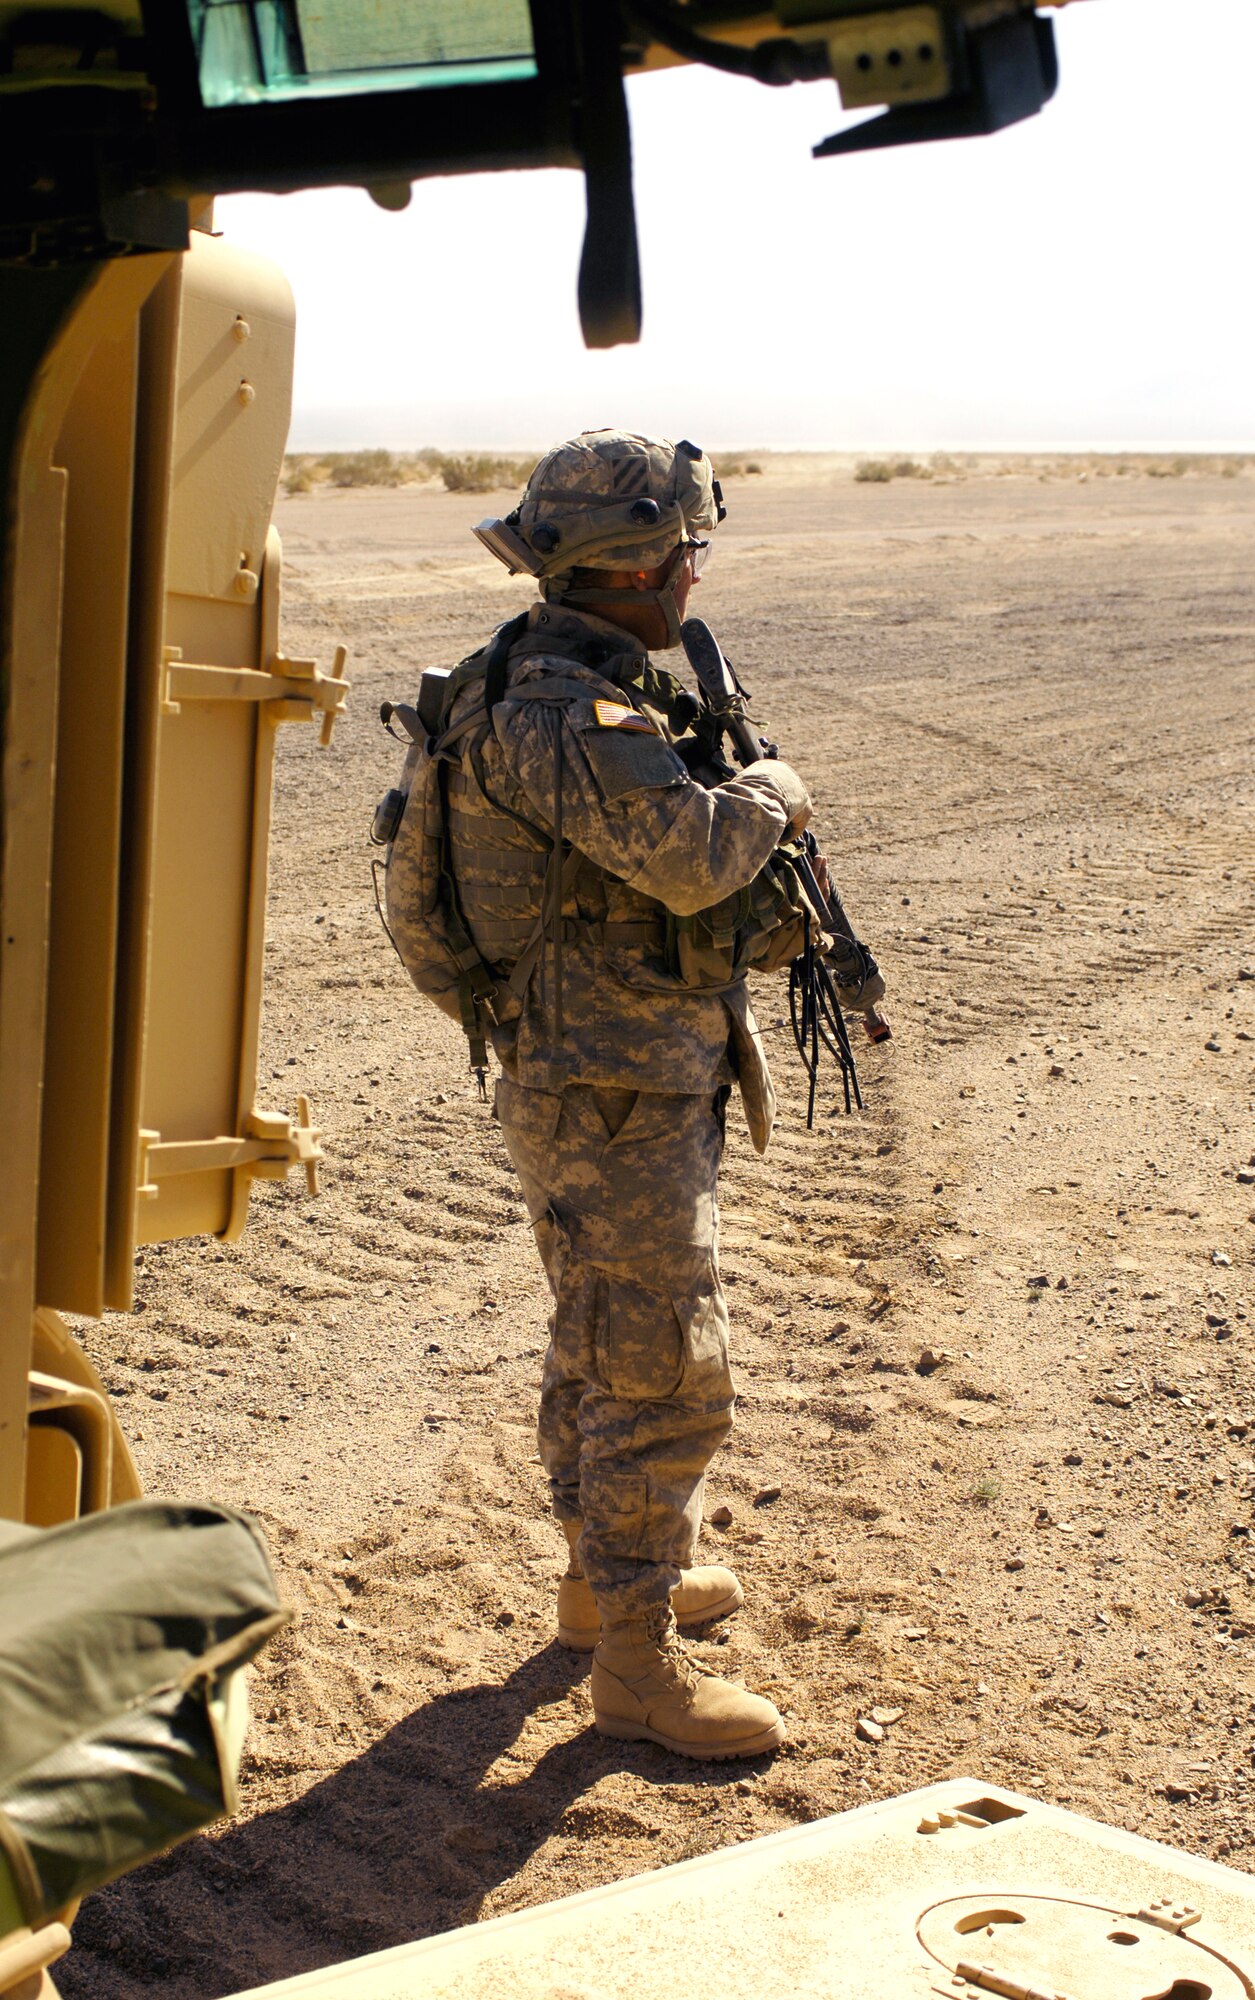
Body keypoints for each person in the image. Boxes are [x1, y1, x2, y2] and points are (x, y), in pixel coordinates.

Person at [444, 430, 826, 1760]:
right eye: (685, 553)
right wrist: (776, 788)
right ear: (636, 565)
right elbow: (690, 853)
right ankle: (638, 1665)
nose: (694, 575)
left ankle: (598, 1590)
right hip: (611, 1091)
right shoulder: (569, 714)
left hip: (594, 1078)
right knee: (663, 1369)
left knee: (597, 1338)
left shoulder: (550, 681)